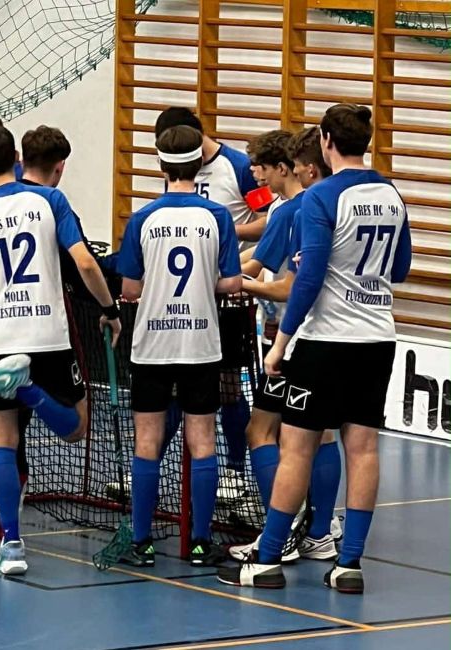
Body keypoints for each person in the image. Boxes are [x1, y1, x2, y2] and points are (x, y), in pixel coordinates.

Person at [217, 104, 412, 593]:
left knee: (296, 448)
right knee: (363, 448)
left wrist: (280, 344)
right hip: (377, 338)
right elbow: (400, 267)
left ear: (326, 141)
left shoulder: (323, 196)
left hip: (326, 341)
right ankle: (349, 564)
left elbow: (308, 279)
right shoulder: (390, 193)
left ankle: (267, 559)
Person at [0, 124, 121, 575]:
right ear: (16, 158)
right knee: (76, 429)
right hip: (46, 333)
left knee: (2, 441)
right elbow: (84, 262)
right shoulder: (49, 201)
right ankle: (29, 390)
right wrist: (109, 308)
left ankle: (11, 546)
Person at [117, 124, 242, 567]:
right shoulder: (217, 217)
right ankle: (201, 542)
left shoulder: (143, 218)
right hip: (200, 342)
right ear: (199, 162)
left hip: (152, 343)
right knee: (203, 439)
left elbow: (130, 288)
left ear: (161, 165)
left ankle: (141, 542)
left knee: (147, 440)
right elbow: (231, 282)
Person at [228, 128, 342, 563]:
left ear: (290, 168)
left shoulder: (295, 210)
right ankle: (320, 530)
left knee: (260, 431)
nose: (258, 176)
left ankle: (281, 528)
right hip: (330, 336)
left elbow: (280, 281)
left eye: (264, 168)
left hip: (291, 339)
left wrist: (228, 282)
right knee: (323, 432)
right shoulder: (326, 204)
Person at [154, 108, 269, 486]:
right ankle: (151, 465)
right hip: (185, 295)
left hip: (226, 295)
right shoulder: (177, 172)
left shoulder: (238, 167)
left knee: (228, 385)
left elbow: (268, 219)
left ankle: (235, 472)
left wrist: (225, 228)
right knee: (176, 383)